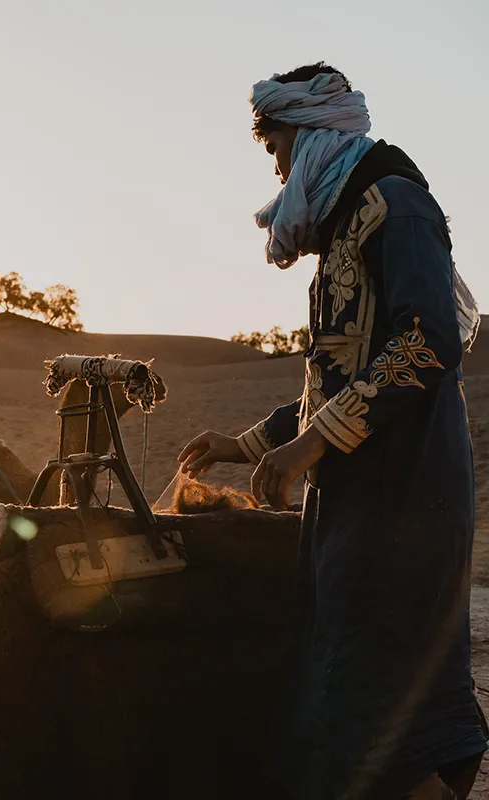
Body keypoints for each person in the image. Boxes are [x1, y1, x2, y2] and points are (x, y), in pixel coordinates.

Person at [177, 62, 487, 799]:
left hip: (405, 498)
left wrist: (313, 443)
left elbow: (427, 342)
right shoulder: (347, 224)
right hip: (354, 502)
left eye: (279, 149)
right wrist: (247, 443)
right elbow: (337, 378)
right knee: (345, 691)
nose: (279, 170)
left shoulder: (397, 207)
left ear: (316, 135)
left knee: (381, 702)